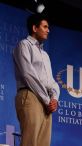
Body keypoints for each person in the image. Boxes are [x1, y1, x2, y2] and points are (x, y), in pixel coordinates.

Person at [13, 14, 60, 146]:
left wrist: (54, 99)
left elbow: (51, 82)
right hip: (30, 96)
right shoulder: (24, 45)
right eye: (45, 27)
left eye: (48, 27)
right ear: (34, 28)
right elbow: (29, 75)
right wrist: (47, 100)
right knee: (30, 142)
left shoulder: (45, 55)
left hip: (46, 102)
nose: (48, 30)